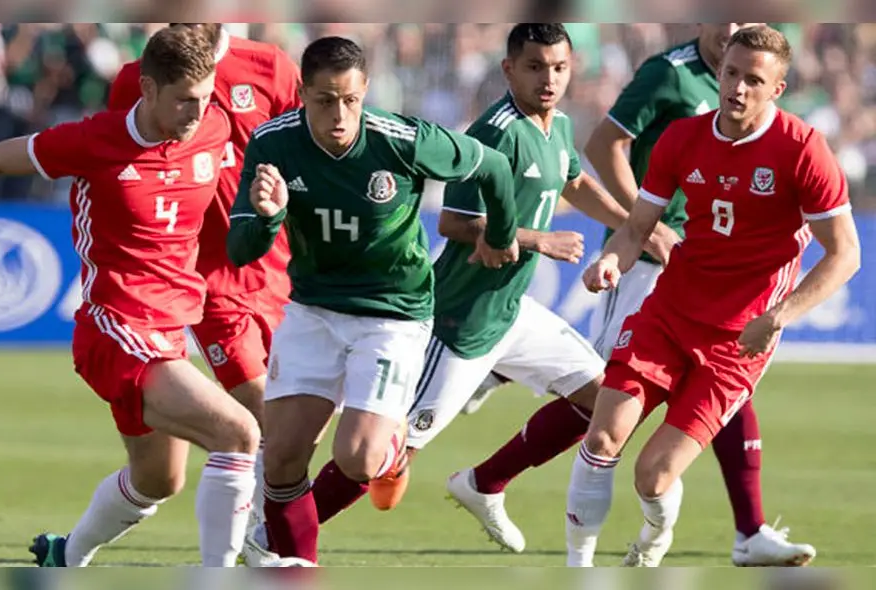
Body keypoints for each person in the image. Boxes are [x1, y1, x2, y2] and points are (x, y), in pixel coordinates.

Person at [299, 23, 678, 551]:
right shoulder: (495, 132)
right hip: (462, 319)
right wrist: (538, 239)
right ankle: (275, 535)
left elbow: (574, 180)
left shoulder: (557, 125)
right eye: (534, 67)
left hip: (510, 311)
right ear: (508, 70)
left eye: (559, 68)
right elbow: (454, 222)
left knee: (604, 399)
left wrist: (632, 228)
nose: (549, 79)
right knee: (384, 451)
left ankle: (485, 483)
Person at [0, 26, 260, 568]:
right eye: (185, 98)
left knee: (158, 480)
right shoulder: (95, 140)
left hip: (168, 332)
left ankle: (66, 557)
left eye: (206, 97)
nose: (197, 111)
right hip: (116, 330)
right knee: (239, 433)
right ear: (148, 88)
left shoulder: (213, 127)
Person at [567, 25, 860, 567]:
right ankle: (576, 568)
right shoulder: (683, 138)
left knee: (652, 476)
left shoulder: (802, 150)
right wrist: (612, 258)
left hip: (738, 338)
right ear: (719, 70)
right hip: (668, 313)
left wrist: (778, 316)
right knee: (603, 436)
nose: (739, 88)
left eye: (754, 79)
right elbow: (637, 228)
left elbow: (845, 254)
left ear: (778, 88)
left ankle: (656, 535)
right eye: (731, 73)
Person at [226, 35, 520, 565]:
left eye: (351, 100)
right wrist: (269, 215)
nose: (340, 114)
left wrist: (499, 235)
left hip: (392, 315)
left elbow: (493, 167)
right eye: (324, 100)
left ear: (365, 93)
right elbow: (241, 249)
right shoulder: (273, 143)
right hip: (313, 309)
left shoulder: (401, 139)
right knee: (282, 460)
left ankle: (389, 452)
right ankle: (297, 571)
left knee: (358, 458)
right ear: (302, 94)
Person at [107, 24, 301, 538]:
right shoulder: (138, 78)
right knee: (262, 417)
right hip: (209, 282)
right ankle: (266, 539)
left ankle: (259, 529)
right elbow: (117, 170)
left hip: (278, 273)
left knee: (297, 425)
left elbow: (305, 154)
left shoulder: (271, 67)